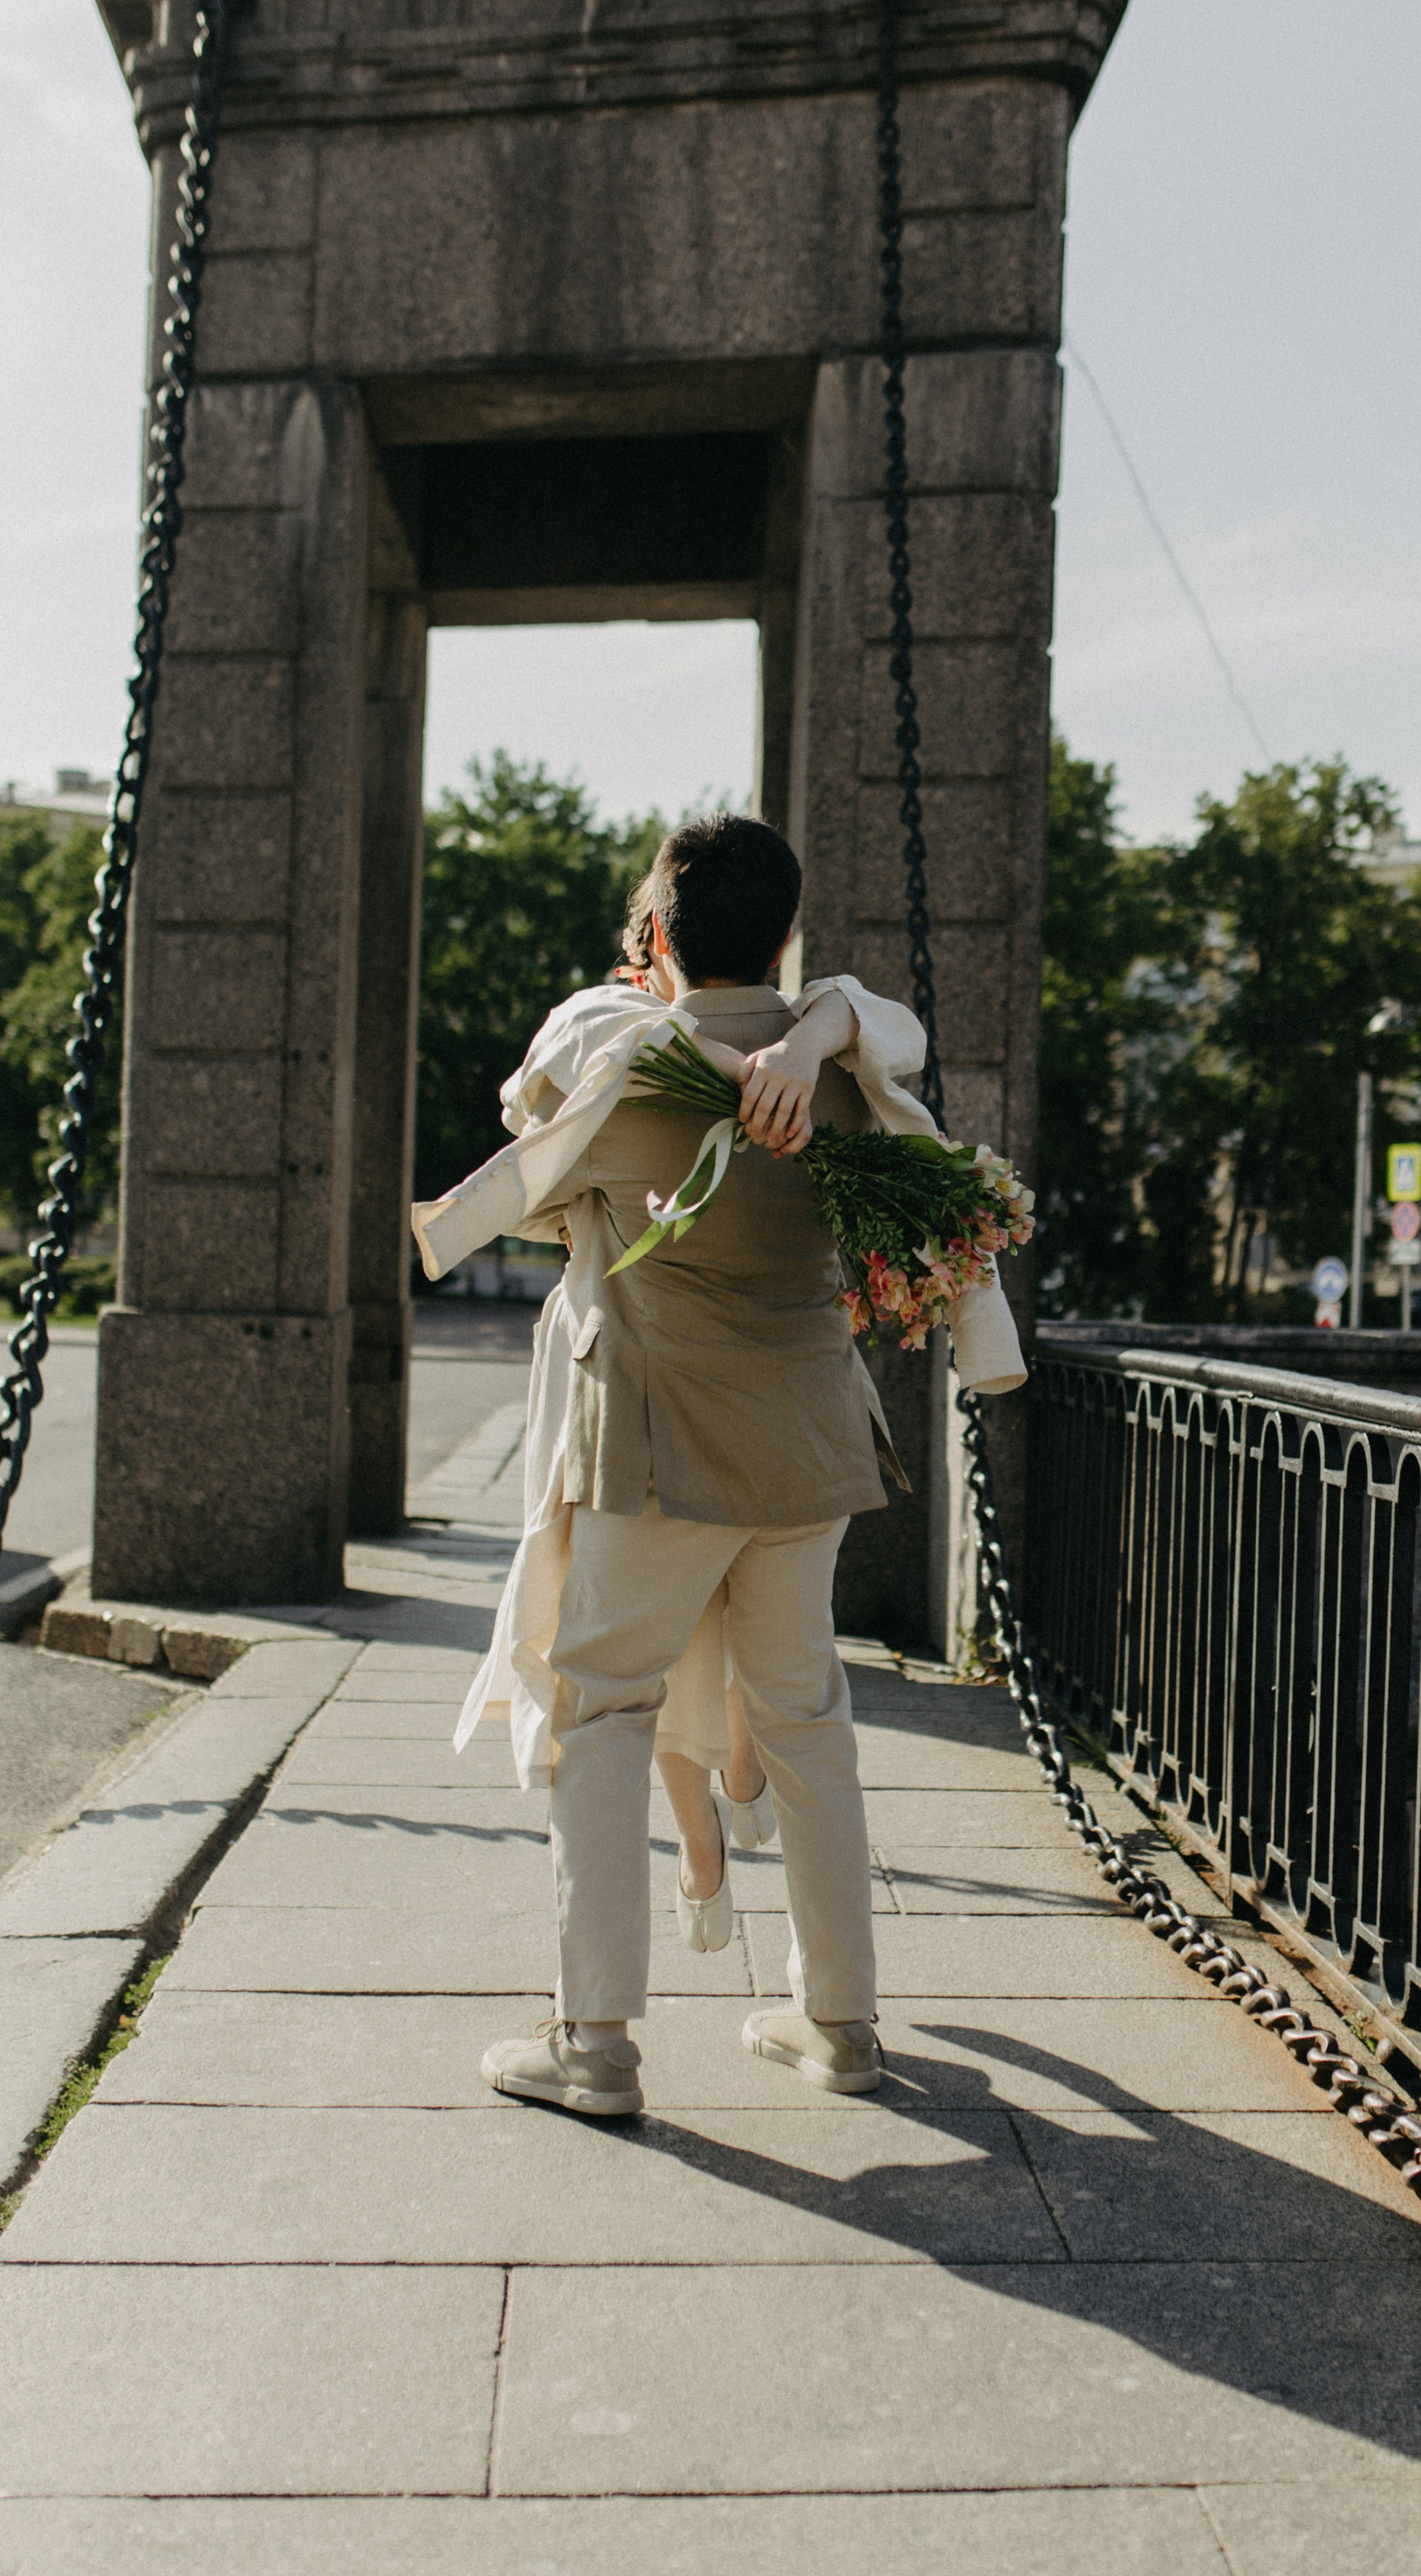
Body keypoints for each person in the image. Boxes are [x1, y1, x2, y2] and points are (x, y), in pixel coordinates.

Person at [410, 813, 1025, 2119]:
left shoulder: (627, 1060)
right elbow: (889, 1027)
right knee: (809, 1727)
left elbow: (525, 1116)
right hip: (808, 1454)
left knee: (603, 1719)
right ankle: (839, 2021)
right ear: (789, 936)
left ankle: (596, 2045)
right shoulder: (847, 1076)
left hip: (659, 1447)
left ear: (661, 936)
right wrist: (816, 1023)